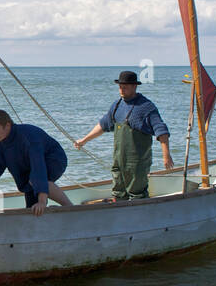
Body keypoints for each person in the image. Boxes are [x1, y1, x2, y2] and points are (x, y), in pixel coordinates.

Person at [73, 70, 174, 201]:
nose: (121, 89)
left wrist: (166, 155)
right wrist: (84, 140)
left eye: (125, 87)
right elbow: (103, 125)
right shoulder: (116, 106)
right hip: (118, 160)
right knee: (118, 192)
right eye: (120, 86)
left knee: (137, 194)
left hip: (137, 164)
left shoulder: (146, 107)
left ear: (134, 86)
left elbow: (161, 131)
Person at [0, 109, 73, 216]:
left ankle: (70, 207)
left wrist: (42, 202)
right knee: (31, 209)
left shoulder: (28, 137)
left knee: (35, 180)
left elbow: (38, 167)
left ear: (7, 125)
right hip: (29, 170)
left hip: (54, 158)